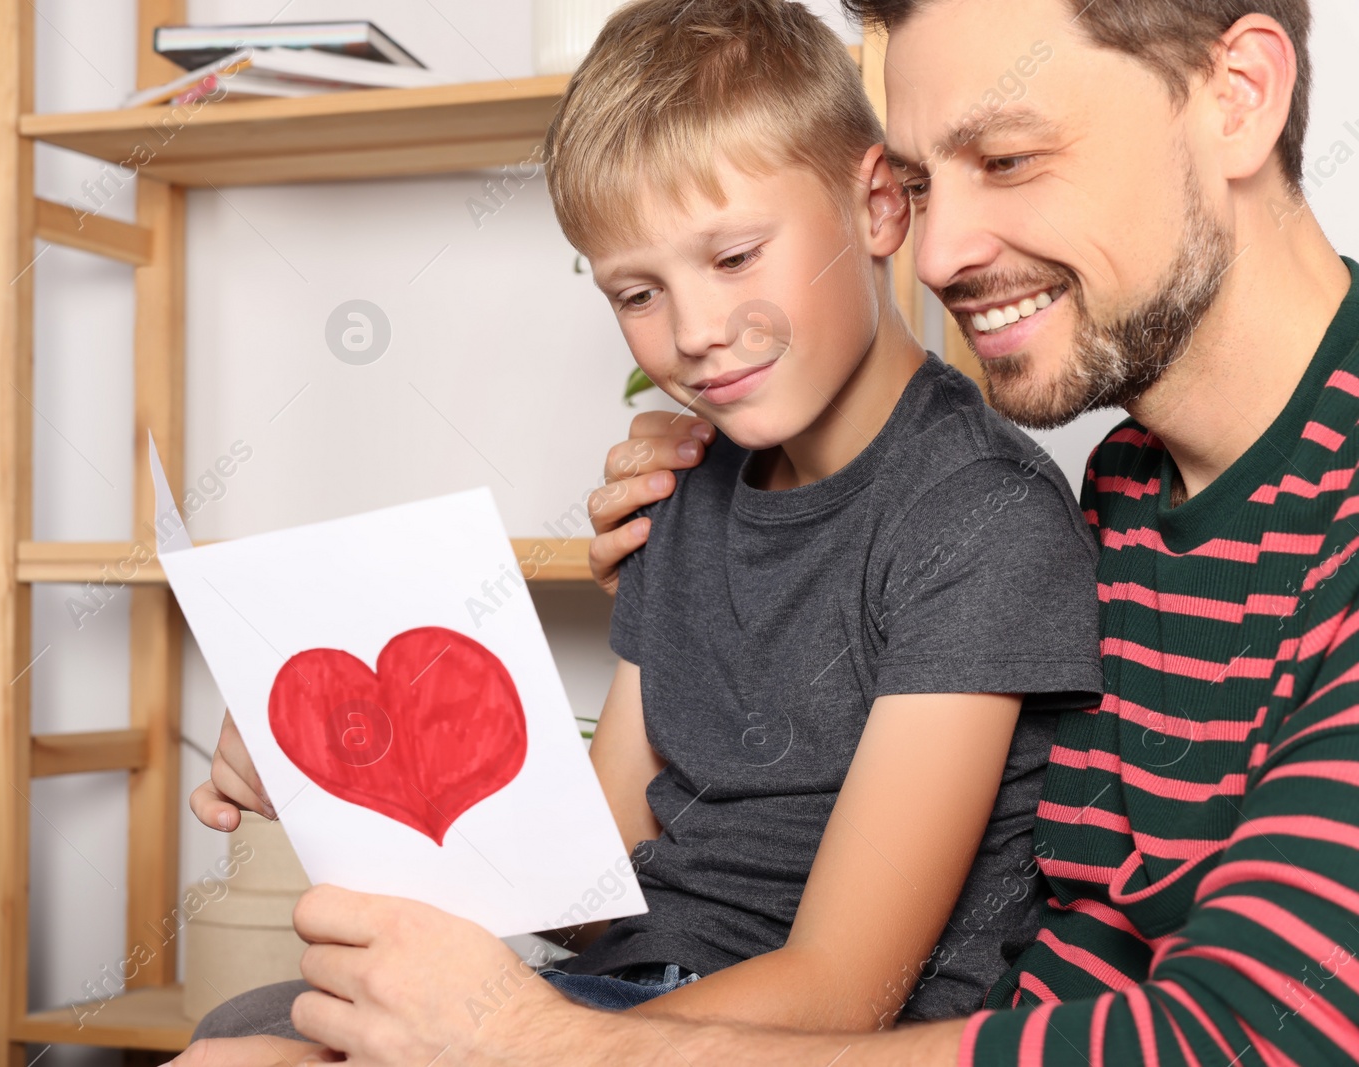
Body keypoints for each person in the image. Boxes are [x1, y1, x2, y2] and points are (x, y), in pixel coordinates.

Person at [169, 0, 1359, 1062]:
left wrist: (529, 1039)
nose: (939, 254)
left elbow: (1238, 1035)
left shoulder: (999, 515)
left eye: (1008, 156)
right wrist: (348, 762)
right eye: (932, 181)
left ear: (1238, 96)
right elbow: (1074, 957)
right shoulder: (1129, 488)